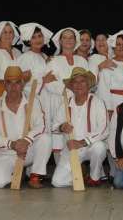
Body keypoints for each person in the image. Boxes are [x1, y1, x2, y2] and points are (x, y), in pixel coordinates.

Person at [0, 66, 52, 189]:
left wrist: (26, 140)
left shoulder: (33, 101)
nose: (13, 87)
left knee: (45, 139)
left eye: (17, 82)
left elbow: (41, 125)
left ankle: (35, 175)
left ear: (22, 84)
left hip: (29, 151)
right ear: (4, 85)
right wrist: (12, 144)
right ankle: (18, 174)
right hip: (7, 154)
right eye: (9, 83)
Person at [50, 67, 109, 188]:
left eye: (82, 81)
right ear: (71, 86)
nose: (79, 85)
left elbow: (104, 130)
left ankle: (94, 177)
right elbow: (54, 127)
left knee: (100, 147)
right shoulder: (65, 104)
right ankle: (81, 173)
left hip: (90, 145)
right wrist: (62, 127)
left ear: (88, 84)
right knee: (57, 182)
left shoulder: (98, 102)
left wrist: (82, 142)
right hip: (72, 148)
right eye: (75, 82)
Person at [16, 22, 54, 184]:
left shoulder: (45, 57)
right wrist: (43, 80)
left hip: (46, 100)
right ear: (28, 40)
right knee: (33, 132)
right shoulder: (24, 58)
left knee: (45, 134)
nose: (38, 39)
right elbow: (21, 83)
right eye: (34, 37)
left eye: (39, 36)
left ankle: (34, 171)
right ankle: (27, 171)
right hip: (32, 102)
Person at [46, 27, 87, 155]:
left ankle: (78, 166)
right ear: (60, 41)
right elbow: (49, 84)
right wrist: (73, 89)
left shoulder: (82, 61)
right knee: (59, 140)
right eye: (65, 37)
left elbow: (88, 82)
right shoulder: (53, 61)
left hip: (80, 104)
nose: (68, 40)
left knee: (78, 135)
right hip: (59, 102)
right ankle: (61, 165)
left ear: (76, 41)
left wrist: (68, 86)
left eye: (71, 38)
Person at [96, 31, 123, 117]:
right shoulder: (108, 64)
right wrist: (108, 110)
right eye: (118, 44)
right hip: (115, 107)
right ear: (114, 47)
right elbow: (103, 90)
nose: (121, 47)